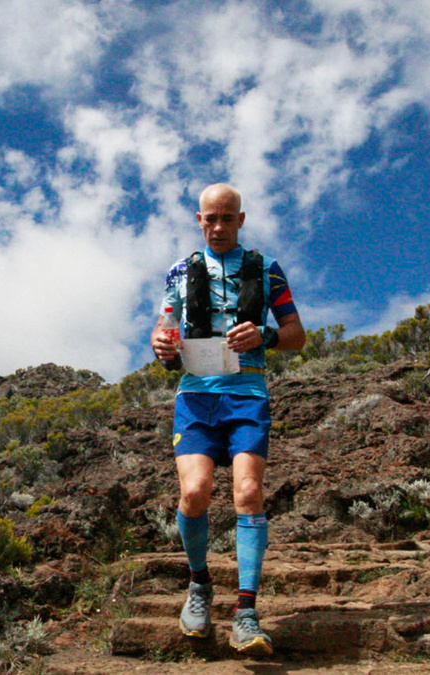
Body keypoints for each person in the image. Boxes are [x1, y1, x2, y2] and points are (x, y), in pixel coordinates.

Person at [150, 183, 306, 656]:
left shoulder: (266, 271)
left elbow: (297, 336)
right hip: (196, 397)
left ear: (241, 220)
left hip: (247, 394)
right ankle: (199, 586)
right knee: (194, 492)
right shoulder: (180, 271)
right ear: (199, 220)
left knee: (248, 492)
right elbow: (164, 330)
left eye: (227, 218)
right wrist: (160, 345)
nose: (218, 227)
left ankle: (246, 612)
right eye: (210, 219)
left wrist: (265, 335)